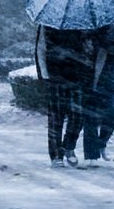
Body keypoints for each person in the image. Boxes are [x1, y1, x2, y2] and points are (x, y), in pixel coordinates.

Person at [35, 25, 94, 168]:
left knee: (78, 115)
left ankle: (69, 146)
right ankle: (56, 155)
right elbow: (40, 48)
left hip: (77, 76)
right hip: (56, 76)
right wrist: (44, 74)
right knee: (56, 117)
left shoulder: (82, 24)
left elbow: (90, 49)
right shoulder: (48, 24)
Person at [82, 22, 114, 166]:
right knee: (90, 118)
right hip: (89, 80)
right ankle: (92, 155)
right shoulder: (86, 32)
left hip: (110, 81)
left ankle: (101, 143)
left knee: (111, 115)